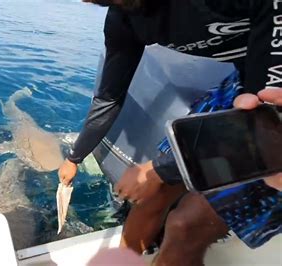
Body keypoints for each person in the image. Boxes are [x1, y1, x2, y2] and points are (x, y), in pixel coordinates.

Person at [58, 1, 282, 265]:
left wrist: (158, 169)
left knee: (185, 225)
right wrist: (74, 158)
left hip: (268, 103)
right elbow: (108, 98)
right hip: (243, 93)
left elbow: (265, 116)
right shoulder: (124, 22)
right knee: (152, 192)